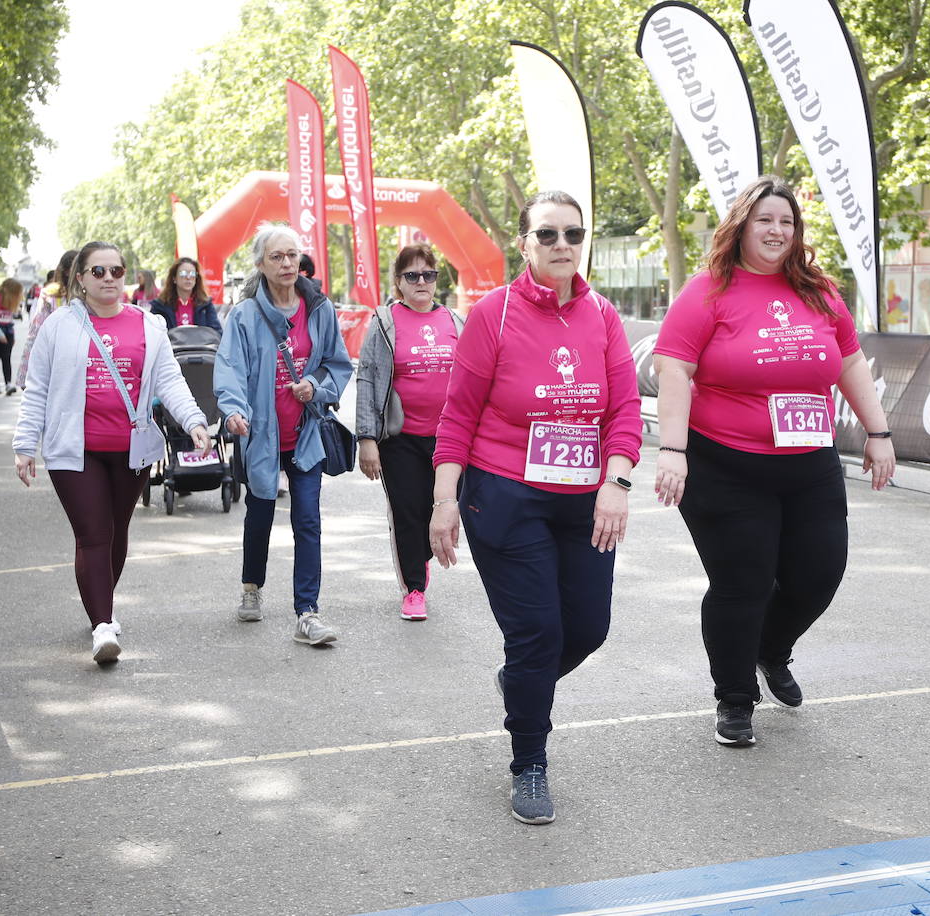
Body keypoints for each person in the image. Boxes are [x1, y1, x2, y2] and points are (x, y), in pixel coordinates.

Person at [653, 176, 895, 748]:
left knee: (819, 574)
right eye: (765, 220)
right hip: (725, 464)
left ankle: (770, 649)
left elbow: (850, 365)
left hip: (808, 460)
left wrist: (878, 432)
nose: (776, 231)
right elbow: (673, 371)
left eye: (786, 222)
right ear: (742, 225)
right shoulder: (709, 291)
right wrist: (672, 451)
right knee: (744, 583)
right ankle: (735, 699)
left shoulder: (817, 291)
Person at [429, 191, 642, 825]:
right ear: (523, 244)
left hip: (585, 501)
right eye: (546, 235)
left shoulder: (602, 315)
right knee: (537, 634)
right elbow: (458, 414)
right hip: (506, 495)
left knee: (587, 629)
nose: (561, 246)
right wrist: (444, 502)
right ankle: (528, 763)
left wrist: (618, 482)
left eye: (573, 235)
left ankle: (525, 680)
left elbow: (625, 410)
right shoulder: (492, 316)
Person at [12, 241, 212, 664]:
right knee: (93, 533)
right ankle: (103, 624)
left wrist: (195, 421)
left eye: (116, 271)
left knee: (116, 531)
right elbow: (37, 391)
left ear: (126, 276)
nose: (108, 279)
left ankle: (98, 605)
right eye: (98, 272)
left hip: (131, 450)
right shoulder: (59, 327)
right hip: (74, 451)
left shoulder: (149, 325)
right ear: (80, 279)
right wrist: (24, 445)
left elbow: (170, 382)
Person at [214, 223, 353, 645]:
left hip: (305, 432)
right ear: (260, 264)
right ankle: (251, 588)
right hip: (261, 436)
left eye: (292, 254)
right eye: (277, 256)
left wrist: (318, 387)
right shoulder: (243, 316)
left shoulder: (320, 310)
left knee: (307, 520)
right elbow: (230, 370)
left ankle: (307, 612)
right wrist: (235, 411)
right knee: (259, 516)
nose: (287, 263)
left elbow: (337, 363)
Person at [356, 245, 464, 620]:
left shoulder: (455, 320)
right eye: (412, 276)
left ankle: (421, 557)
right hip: (400, 439)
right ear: (398, 282)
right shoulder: (385, 321)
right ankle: (414, 588)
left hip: (450, 439)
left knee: (441, 507)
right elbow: (367, 378)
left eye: (428, 275)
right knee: (407, 513)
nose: (421, 282)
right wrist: (366, 438)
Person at [17, 250, 78, 389]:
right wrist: (25, 373)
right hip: (55, 363)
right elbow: (36, 331)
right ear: (67, 272)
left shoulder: (92, 296)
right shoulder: (50, 295)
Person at [151, 258, 223, 332]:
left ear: (196, 278)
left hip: (200, 343)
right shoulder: (160, 305)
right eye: (183, 273)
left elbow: (217, 333)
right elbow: (153, 334)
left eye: (192, 273)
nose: (188, 277)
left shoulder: (206, 305)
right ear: (174, 278)